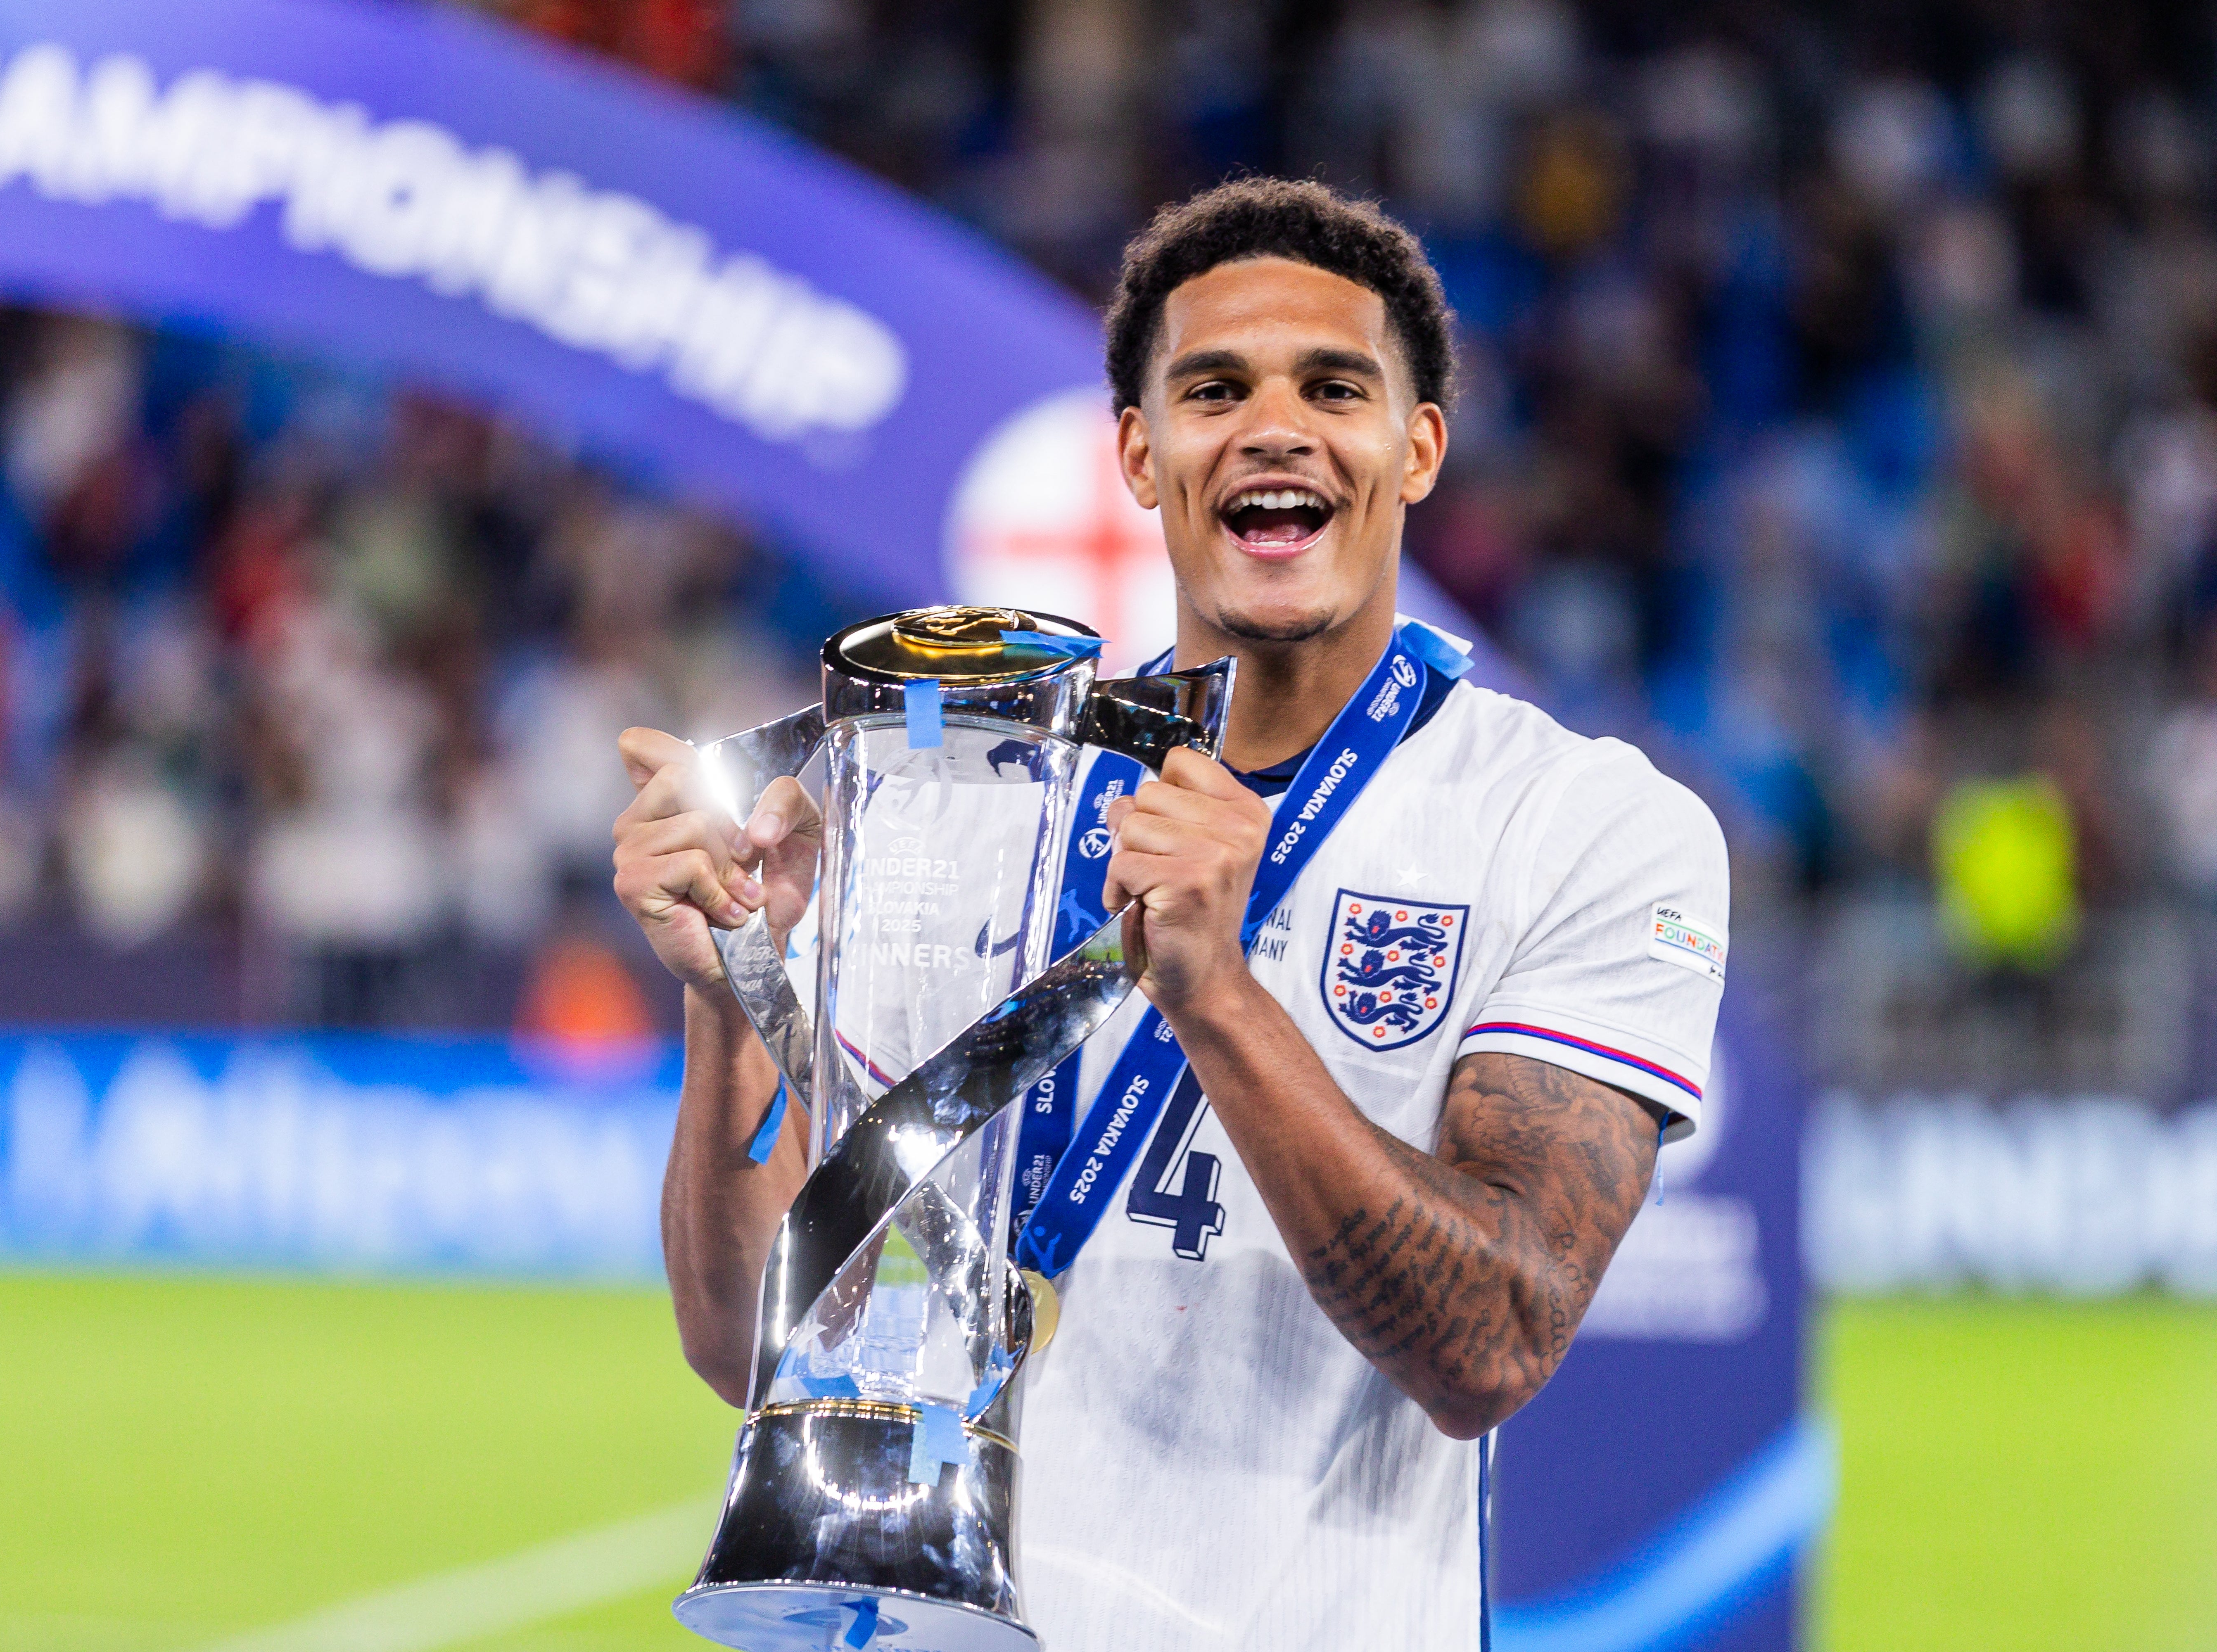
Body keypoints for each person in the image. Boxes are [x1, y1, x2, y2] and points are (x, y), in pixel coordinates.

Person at [612, 177, 1729, 1650]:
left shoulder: (1579, 824)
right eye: (1214, 390)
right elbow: (747, 1346)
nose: (1274, 428)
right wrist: (731, 993)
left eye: (1334, 388)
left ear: (1417, 450)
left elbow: (1491, 1343)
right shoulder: (971, 804)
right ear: (1141, 454)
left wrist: (1218, 995)